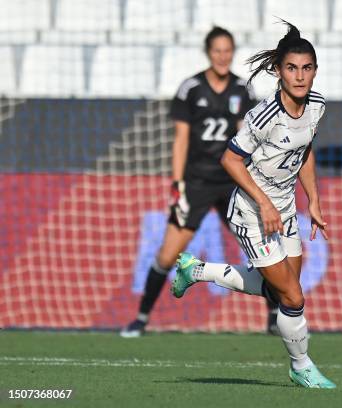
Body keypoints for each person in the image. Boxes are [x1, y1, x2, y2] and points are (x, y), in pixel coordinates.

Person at [170, 21, 336, 389]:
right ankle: (302, 366)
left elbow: (304, 150)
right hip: (252, 211)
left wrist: (315, 202)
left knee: (283, 287)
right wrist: (264, 204)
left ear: (315, 70)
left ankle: (196, 271)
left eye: (307, 68)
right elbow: (230, 160)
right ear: (278, 71)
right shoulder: (264, 116)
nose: (300, 76)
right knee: (292, 296)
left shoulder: (317, 106)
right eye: (291, 68)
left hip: (286, 209)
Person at [120, 26, 267, 337]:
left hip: (231, 182)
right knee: (167, 252)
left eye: (228, 50)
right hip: (197, 182)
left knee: (259, 249)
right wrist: (178, 184)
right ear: (208, 52)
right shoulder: (191, 88)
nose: (223, 56)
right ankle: (142, 317)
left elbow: (248, 138)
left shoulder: (243, 90)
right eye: (217, 50)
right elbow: (181, 140)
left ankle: (275, 316)